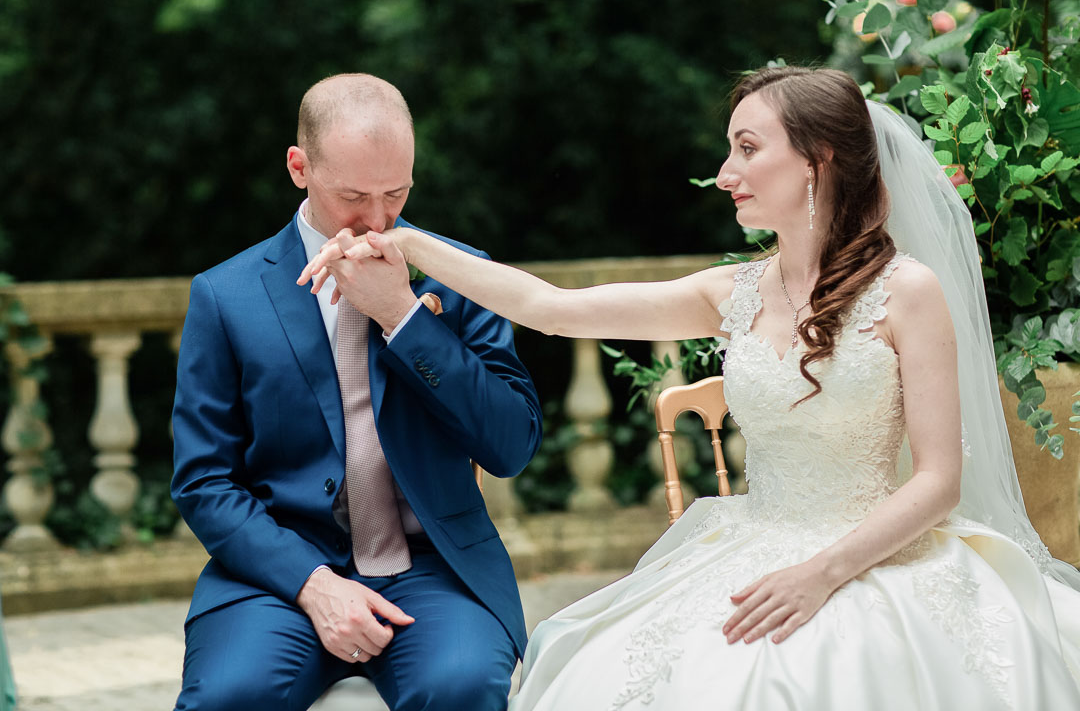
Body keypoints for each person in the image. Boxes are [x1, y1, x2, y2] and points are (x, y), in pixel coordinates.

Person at [301, 66, 1080, 709]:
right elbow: (549, 308)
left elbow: (940, 481)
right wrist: (406, 242)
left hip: (879, 561)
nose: (725, 174)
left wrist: (821, 574)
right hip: (754, 543)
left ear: (818, 160)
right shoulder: (729, 292)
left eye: (747, 149)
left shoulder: (908, 292)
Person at [171, 73, 543, 710]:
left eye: (396, 194)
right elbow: (204, 480)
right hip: (278, 574)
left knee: (460, 687)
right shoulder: (224, 296)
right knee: (230, 696)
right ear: (299, 168)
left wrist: (403, 317)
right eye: (353, 196)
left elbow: (511, 447)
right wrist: (311, 583)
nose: (377, 220)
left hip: (436, 564)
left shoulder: (463, 275)